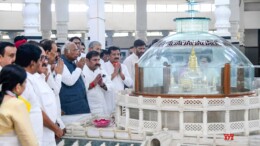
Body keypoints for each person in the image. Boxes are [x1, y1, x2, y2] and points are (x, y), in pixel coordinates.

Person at [0, 64, 38, 146]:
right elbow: (28, 139)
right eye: (25, 82)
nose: (25, 85)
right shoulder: (16, 104)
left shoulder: (3, 100)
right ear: (18, 87)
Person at [15, 43, 44, 145]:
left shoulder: (31, 78)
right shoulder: (23, 82)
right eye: (40, 60)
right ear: (32, 63)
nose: (41, 63)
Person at [40, 39, 65, 130]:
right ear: (47, 53)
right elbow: (55, 91)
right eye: (55, 52)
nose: (57, 55)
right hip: (49, 121)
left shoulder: (49, 67)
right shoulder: (45, 69)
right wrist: (59, 74)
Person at [60, 42, 90, 115]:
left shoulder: (72, 62)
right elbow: (69, 81)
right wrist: (79, 68)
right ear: (66, 52)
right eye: (75, 50)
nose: (78, 52)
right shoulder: (61, 63)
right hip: (71, 105)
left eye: (78, 50)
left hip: (80, 103)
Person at [104, 46, 133, 113]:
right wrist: (114, 73)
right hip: (109, 97)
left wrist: (121, 74)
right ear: (108, 56)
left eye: (118, 54)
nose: (116, 56)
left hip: (120, 96)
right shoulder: (104, 66)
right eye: (114, 54)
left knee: (120, 116)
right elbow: (103, 82)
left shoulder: (123, 67)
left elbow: (130, 83)